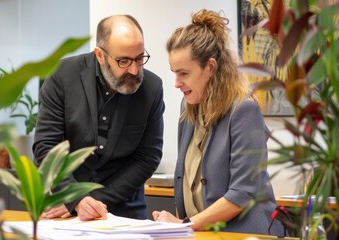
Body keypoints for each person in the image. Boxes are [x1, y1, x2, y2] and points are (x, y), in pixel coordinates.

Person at [152, 9, 284, 235]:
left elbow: (243, 193)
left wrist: (183, 225)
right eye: (174, 73)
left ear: (210, 67)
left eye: (183, 73)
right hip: (203, 233)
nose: (176, 83)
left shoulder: (244, 110)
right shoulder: (188, 107)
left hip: (246, 234)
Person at [33, 14, 165, 221]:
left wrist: (92, 201)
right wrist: (74, 198)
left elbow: (147, 157)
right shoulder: (62, 76)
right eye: (124, 61)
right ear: (100, 55)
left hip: (123, 211)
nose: (134, 69)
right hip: (61, 206)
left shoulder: (152, 89)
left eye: (140, 58)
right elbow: (46, 146)